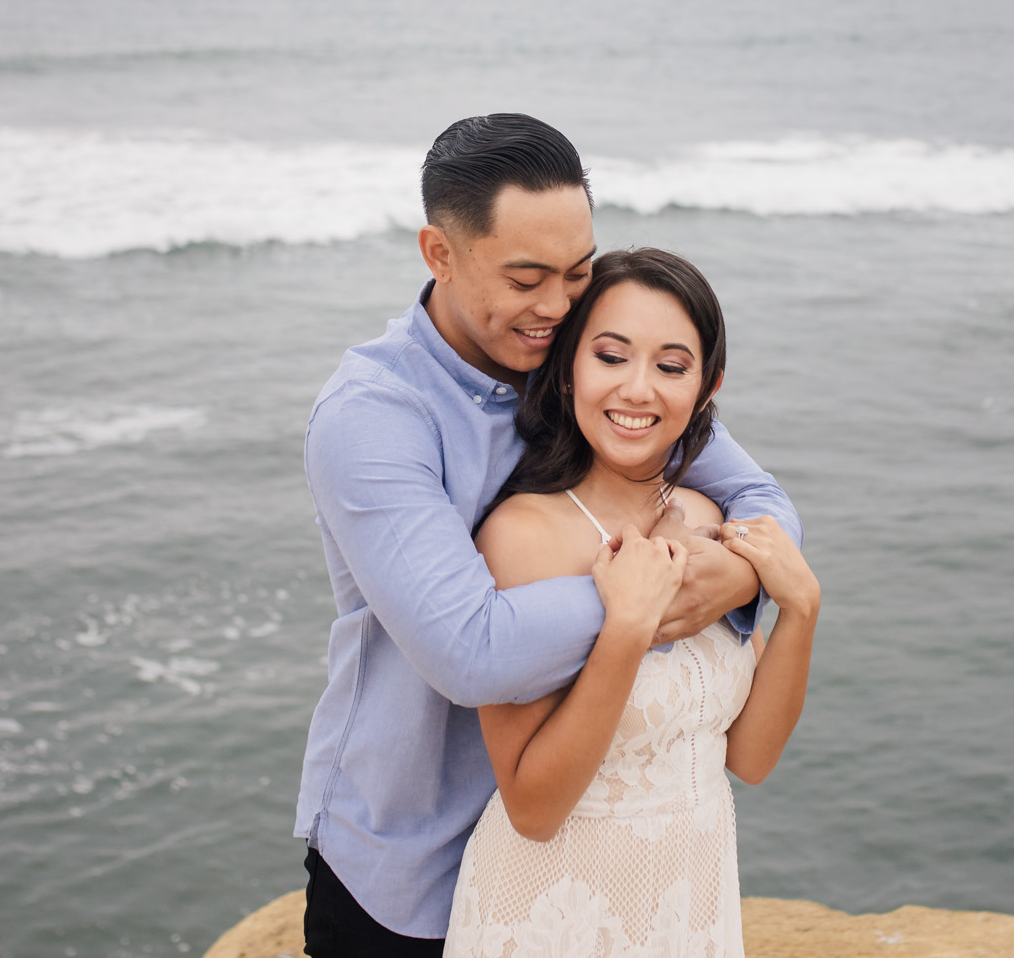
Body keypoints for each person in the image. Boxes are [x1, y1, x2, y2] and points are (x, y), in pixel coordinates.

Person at [297, 115, 804, 957]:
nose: (558, 305)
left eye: (577, 271)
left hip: (585, 862)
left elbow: (761, 497)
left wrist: (744, 574)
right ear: (440, 253)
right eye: (528, 277)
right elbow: (472, 652)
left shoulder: (583, 362)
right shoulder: (373, 419)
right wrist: (649, 589)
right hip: (411, 861)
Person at [444, 248, 820, 958]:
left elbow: (752, 755)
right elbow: (532, 806)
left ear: (707, 386)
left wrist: (800, 609)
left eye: (671, 366)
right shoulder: (522, 535)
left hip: (689, 902)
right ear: (568, 370)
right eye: (611, 356)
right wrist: (625, 626)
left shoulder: (711, 521)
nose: (637, 389)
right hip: (551, 911)